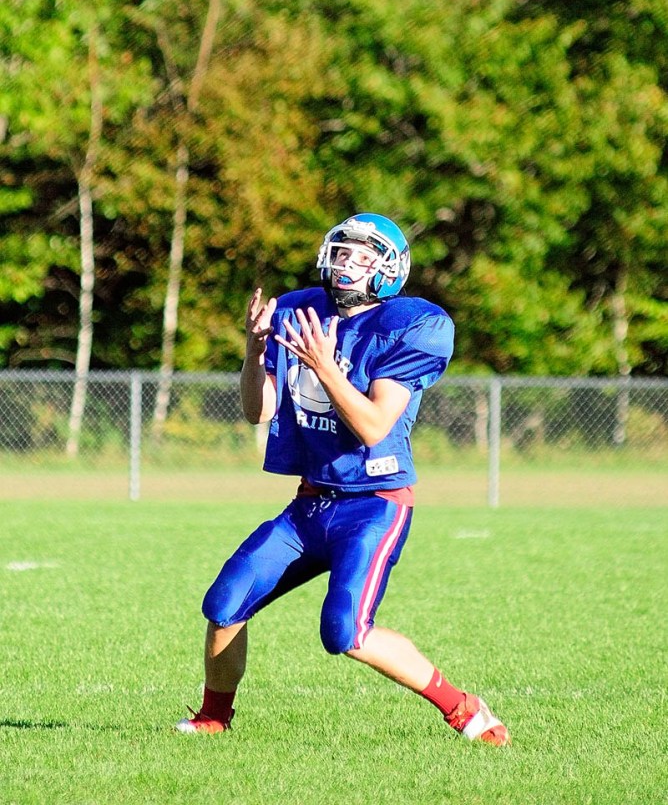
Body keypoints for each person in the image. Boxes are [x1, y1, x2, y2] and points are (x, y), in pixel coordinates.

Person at [175, 213, 509, 745]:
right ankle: (215, 717)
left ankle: (466, 710)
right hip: (309, 503)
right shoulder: (298, 310)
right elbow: (255, 411)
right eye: (343, 251)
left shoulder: (412, 325)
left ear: (389, 268)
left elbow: (375, 426)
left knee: (345, 632)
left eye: (362, 255)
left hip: (373, 503)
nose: (347, 262)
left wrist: (327, 366)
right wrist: (255, 351)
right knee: (224, 602)